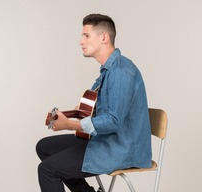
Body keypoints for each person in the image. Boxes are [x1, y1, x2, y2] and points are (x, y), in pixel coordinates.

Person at [36, 13, 152, 192]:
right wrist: (73, 114)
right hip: (105, 139)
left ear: (103, 37)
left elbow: (113, 120)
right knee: (44, 147)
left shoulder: (121, 71)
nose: (80, 42)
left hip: (120, 148)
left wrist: (70, 124)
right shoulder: (108, 70)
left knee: (47, 170)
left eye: (86, 36)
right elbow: (95, 108)